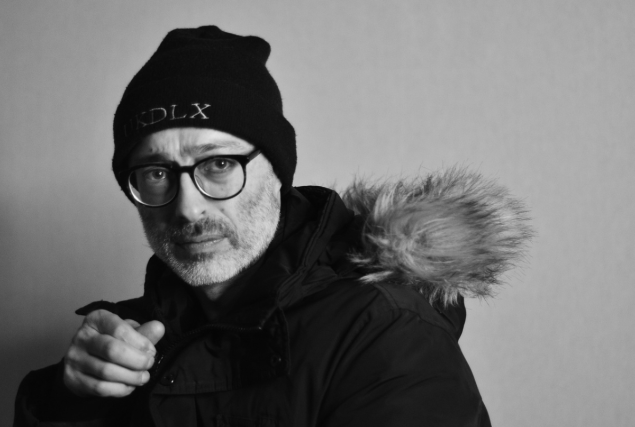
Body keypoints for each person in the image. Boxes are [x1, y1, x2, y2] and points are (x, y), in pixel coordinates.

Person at [14, 25, 531, 426]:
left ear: (277, 173)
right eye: (155, 173)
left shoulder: (385, 333)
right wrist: (68, 397)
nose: (188, 208)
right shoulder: (133, 336)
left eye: (218, 164)